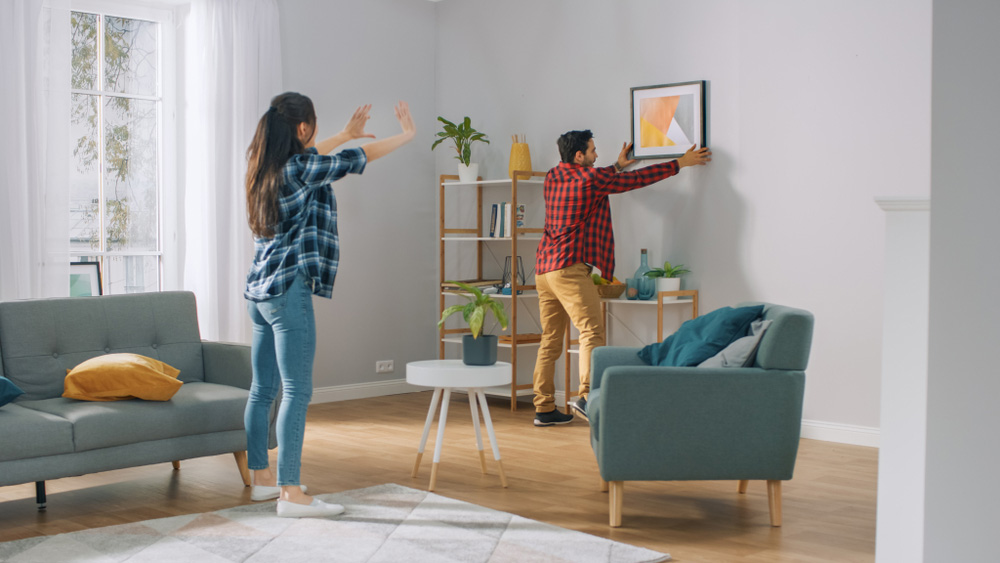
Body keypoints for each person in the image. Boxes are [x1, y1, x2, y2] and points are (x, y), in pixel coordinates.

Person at [243, 92, 415, 517]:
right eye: (315, 127)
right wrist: (406, 135)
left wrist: (341, 132)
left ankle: (261, 479)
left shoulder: (264, 168)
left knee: (263, 389)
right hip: (288, 291)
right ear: (303, 128)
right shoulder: (302, 168)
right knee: (297, 391)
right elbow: (358, 159)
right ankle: (291, 494)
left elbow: (319, 153)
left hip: (259, 292)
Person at [531, 130, 711, 427]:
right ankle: (587, 398)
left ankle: (544, 407)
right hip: (568, 269)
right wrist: (681, 162)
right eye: (592, 150)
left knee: (550, 339)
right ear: (579, 156)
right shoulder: (591, 180)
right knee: (591, 332)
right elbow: (636, 181)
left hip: (544, 269)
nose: (596, 155)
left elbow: (601, 176)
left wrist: (616, 165)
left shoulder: (553, 176)